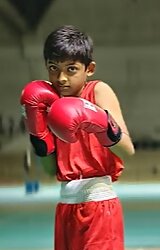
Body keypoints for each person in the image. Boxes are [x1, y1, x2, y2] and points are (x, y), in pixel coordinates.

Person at [20, 25, 135, 250]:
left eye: (71, 69)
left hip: (100, 206)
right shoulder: (47, 103)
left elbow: (127, 150)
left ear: (89, 68)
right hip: (65, 208)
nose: (61, 78)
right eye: (53, 68)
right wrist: (38, 134)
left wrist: (100, 123)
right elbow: (51, 170)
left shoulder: (98, 91)